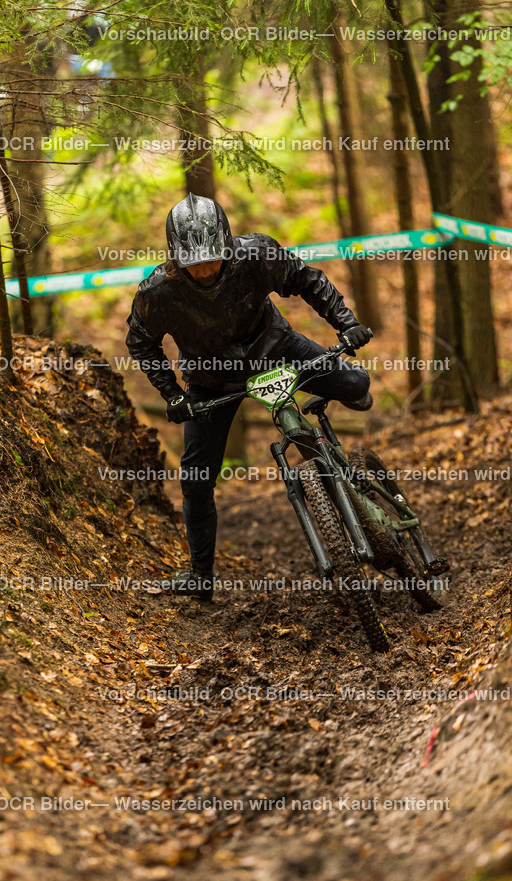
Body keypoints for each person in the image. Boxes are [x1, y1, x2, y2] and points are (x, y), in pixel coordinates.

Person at [125, 193, 372, 601]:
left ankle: (343, 444)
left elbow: (307, 280)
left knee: (356, 386)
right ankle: (200, 575)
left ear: (227, 246)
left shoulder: (256, 254)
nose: (205, 269)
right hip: (210, 382)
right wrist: (172, 395)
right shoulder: (157, 293)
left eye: (213, 258)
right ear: (176, 257)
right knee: (196, 479)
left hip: (276, 349)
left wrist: (347, 324)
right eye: (193, 262)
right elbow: (141, 343)